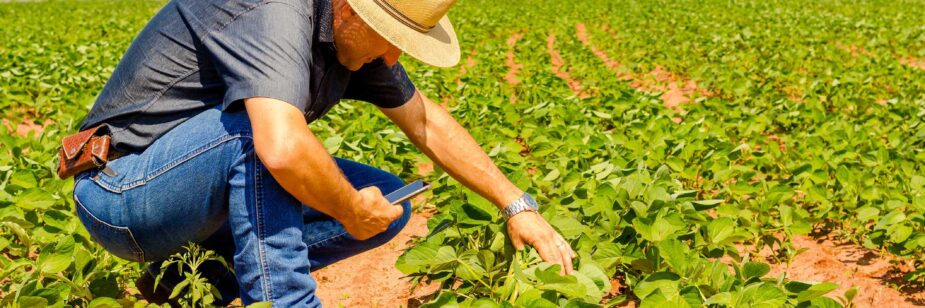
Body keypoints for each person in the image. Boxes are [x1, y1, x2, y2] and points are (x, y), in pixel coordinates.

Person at [70, 0, 575, 305]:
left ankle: (193, 278)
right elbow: (282, 148)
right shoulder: (275, 11)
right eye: (395, 39)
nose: (395, 56)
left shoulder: (354, 38)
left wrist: (517, 205)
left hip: (190, 203)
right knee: (263, 133)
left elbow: (426, 121)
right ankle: (284, 303)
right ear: (354, 10)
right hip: (121, 193)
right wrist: (346, 210)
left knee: (388, 203)